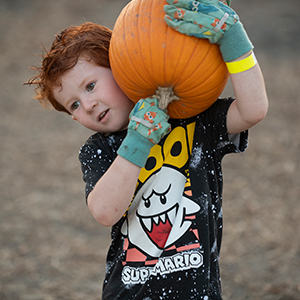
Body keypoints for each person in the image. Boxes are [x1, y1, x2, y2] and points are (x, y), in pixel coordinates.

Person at [26, 0, 268, 299]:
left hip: (200, 292)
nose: (87, 104)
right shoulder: (99, 149)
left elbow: (254, 109)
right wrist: (138, 141)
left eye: (90, 86)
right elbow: (105, 211)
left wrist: (233, 39)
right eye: (74, 105)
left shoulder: (192, 121)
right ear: (73, 118)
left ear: (122, 66)